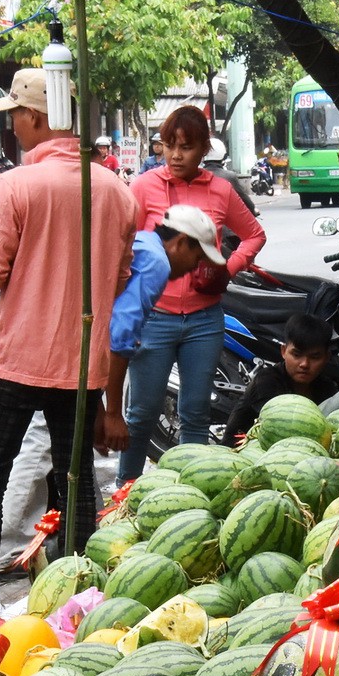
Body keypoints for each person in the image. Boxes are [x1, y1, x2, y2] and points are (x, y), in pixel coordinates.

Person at [0, 68, 136, 567]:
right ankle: (78, 589)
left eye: (15, 114)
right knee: (74, 478)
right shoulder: (116, 192)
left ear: (36, 116)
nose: (11, 124)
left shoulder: (17, 185)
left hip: (14, 361)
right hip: (80, 366)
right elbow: (119, 276)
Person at [117, 106, 266, 484]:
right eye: (169, 146)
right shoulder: (143, 187)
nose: (176, 155)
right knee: (142, 413)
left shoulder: (221, 190)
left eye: (186, 147)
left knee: (196, 412)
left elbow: (254, 235)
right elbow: (122, 243)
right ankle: (125, 491)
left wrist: (227, 271)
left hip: (204, 320)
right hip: (154, 319)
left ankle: (192, 492)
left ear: (204, 149)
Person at [104, 204, 227, 456]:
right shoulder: (158, 263)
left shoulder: (145, 241)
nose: (195, 267)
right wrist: (112, 414)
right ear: (181, 242)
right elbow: (119, 339)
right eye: (198, 258)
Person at [223, 314, 339, 446]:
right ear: (283, 351)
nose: (304, 364)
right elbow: (280, 430)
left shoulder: (327, 388)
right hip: (241, 450)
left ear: (327, 357)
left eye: (315, 357)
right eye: (297, 354)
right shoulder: (267, 382)